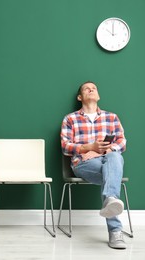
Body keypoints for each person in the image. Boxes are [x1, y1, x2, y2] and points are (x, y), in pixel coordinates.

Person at [60, 81, 127, 249]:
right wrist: (89, 147)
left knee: (115, 156)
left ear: (98, 96)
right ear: (80, 97)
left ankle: (111, 206)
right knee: (112, 167)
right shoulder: (70, 119)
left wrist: (101, 151)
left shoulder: (111, 117)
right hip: (83, 164)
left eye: (94, 88)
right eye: (86, 88)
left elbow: (122, 142)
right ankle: (115, 231)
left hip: (108, 160)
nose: (91, 89)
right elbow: (65, 147)